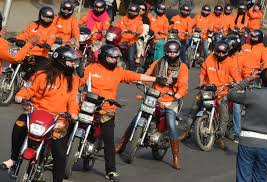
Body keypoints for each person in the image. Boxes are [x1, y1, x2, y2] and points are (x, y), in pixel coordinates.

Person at [80, 44, 164, 181]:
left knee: (108, 140)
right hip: (87, 106)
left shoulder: (118, 71)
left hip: (107, 109)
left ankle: (111, 171)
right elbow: (78, 81)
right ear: (102, 56)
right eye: (111, 58)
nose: (114, 60)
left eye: (116, 58)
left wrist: (155, 79)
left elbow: (135, 76)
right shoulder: (91, 69)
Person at [0, 46, 81, 182]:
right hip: (36, 113)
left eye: (74, 62)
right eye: (71, 61)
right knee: (19, 125)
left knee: (60, 153)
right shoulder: (41, 75)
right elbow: (28, 88)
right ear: (61, 61)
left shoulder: (73, 80)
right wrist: (20, 95)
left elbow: (74, 98)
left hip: (58, 119)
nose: (74, 64)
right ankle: (14, 158)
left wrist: (73, 112)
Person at [115, 40, 189, 170]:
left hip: (170, 100)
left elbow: (183, 85)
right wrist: (138, 80)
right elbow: (147, 74)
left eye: (174, 52)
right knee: (137, 117)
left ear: (178, 53)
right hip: (154, 96)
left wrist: (178, 94)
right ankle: (123, 143)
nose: (171, 54)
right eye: (169, 52)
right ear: (166, 52)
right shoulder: (159, 62)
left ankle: (175, 156)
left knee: (171, 125)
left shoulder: (183, 67)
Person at [181, 41, 242, 149]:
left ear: (227, 52)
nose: (221, 54)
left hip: (222, 92)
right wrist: (200, 82)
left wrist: (237, 83)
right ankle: (186, 131)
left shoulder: (230, 62)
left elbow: (237, 77)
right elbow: (202, 72)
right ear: (215, 51)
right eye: (218, 52)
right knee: (195, 108)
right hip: (207, 89)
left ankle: (219, 137)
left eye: (223, 52)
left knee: (224, 114)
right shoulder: (210, 58)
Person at [228, 68, 267, 182]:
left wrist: (248, 79)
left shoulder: (252, 94)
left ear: (261, 81)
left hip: (247, 142)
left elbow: (231, 94)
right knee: (260, 178)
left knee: (243, 177)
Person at [225, 35, 243, 142]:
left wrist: (241, 84)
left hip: (237, 86)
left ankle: (237, 132)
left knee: (236, 108)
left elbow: (245, 72)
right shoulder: (223, 56)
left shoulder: (243, 57)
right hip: (223, 84)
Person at [115, 3, 143, 71]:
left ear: (137, 12)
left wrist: (136, 33)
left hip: (131, 42)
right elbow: (116, 26)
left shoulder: (139, 21)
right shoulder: (123, 18)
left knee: (131, 58)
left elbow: (140, 30)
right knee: (113, 53)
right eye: (131, 11)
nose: (132, 13)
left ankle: (132, 73)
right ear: (128, 11)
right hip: (121, 40)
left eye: (134, 12)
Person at [135, 2, 151, 66]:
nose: (141, 10)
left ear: (145, 11)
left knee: (139, 41)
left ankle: (138, 58)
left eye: (143, 9)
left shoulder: (145, 20)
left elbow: (145, 32)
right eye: (139, 8)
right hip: (128, 36)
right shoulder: (130, 16)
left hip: (139, 36)